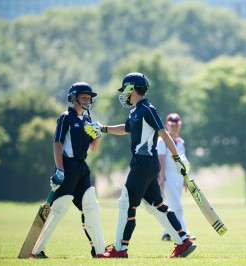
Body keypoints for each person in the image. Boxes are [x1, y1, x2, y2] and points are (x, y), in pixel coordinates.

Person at [96, 72, 196, 259]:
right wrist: (103, 129)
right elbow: (126, 129)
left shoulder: (148, 109)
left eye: (125, 89)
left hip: (144, 163)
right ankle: (183, 242)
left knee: (126, 203)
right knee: (155, 206)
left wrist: (177, 158)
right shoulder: (134, 111)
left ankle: (119, 249)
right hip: (144, 164)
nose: (124, 94)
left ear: (132, 88)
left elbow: (164, 134)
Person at [30, 82, 106, 258]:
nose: (88, 100)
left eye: (89, 97)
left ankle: (100, 251)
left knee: (91, 207)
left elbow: (93, 148)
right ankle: (36, 250)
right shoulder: (66, 117)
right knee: (59, 208)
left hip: (82, 167)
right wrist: (60, 169)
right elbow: (57, 143)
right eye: (84, 97)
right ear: (74, 98)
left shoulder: (87, 120)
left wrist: (98, 134)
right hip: (68, 166)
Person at [158, 113, 195, 242]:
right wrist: (161, 178)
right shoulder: (162, 140)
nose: (174, 128)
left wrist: (185, 178)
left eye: (176, 125)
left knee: (172, 206)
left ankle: (167, 233)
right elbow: (161, 160)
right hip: (167, 177)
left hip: (179, 177)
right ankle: (185, 232)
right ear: (167, 125)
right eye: (171, 125)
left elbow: (182, 162)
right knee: (177, 206)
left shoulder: (181, 142)